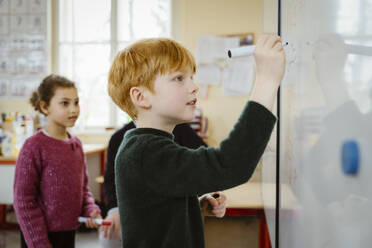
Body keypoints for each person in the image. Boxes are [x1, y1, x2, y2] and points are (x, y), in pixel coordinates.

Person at [107, 35, 286, 247]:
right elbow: (230, 164)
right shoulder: (146, 152)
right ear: (141, 97)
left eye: (191, 77)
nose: (194, 86)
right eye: (179, 78)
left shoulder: (147, 145)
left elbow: (154, 211)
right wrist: (267, 80)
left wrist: (195, 205)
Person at [99, 121, 227, 247]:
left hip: (173, 216)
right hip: (137, 215)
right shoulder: (119, 138)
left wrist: (205, 195)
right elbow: (110, 180)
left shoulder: (182, 129)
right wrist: (114, 209)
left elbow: (205, 165)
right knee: (108, 237)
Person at [13, 75, 102, 248]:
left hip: (67, 233)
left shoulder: (76, 144)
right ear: (45, 107)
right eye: (65, 103)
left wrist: (90, 209)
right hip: (39, 237)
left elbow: (83, 189)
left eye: (76, 102)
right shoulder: (33, 146)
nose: (74, 109)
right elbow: (24, 201)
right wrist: (39, 242)